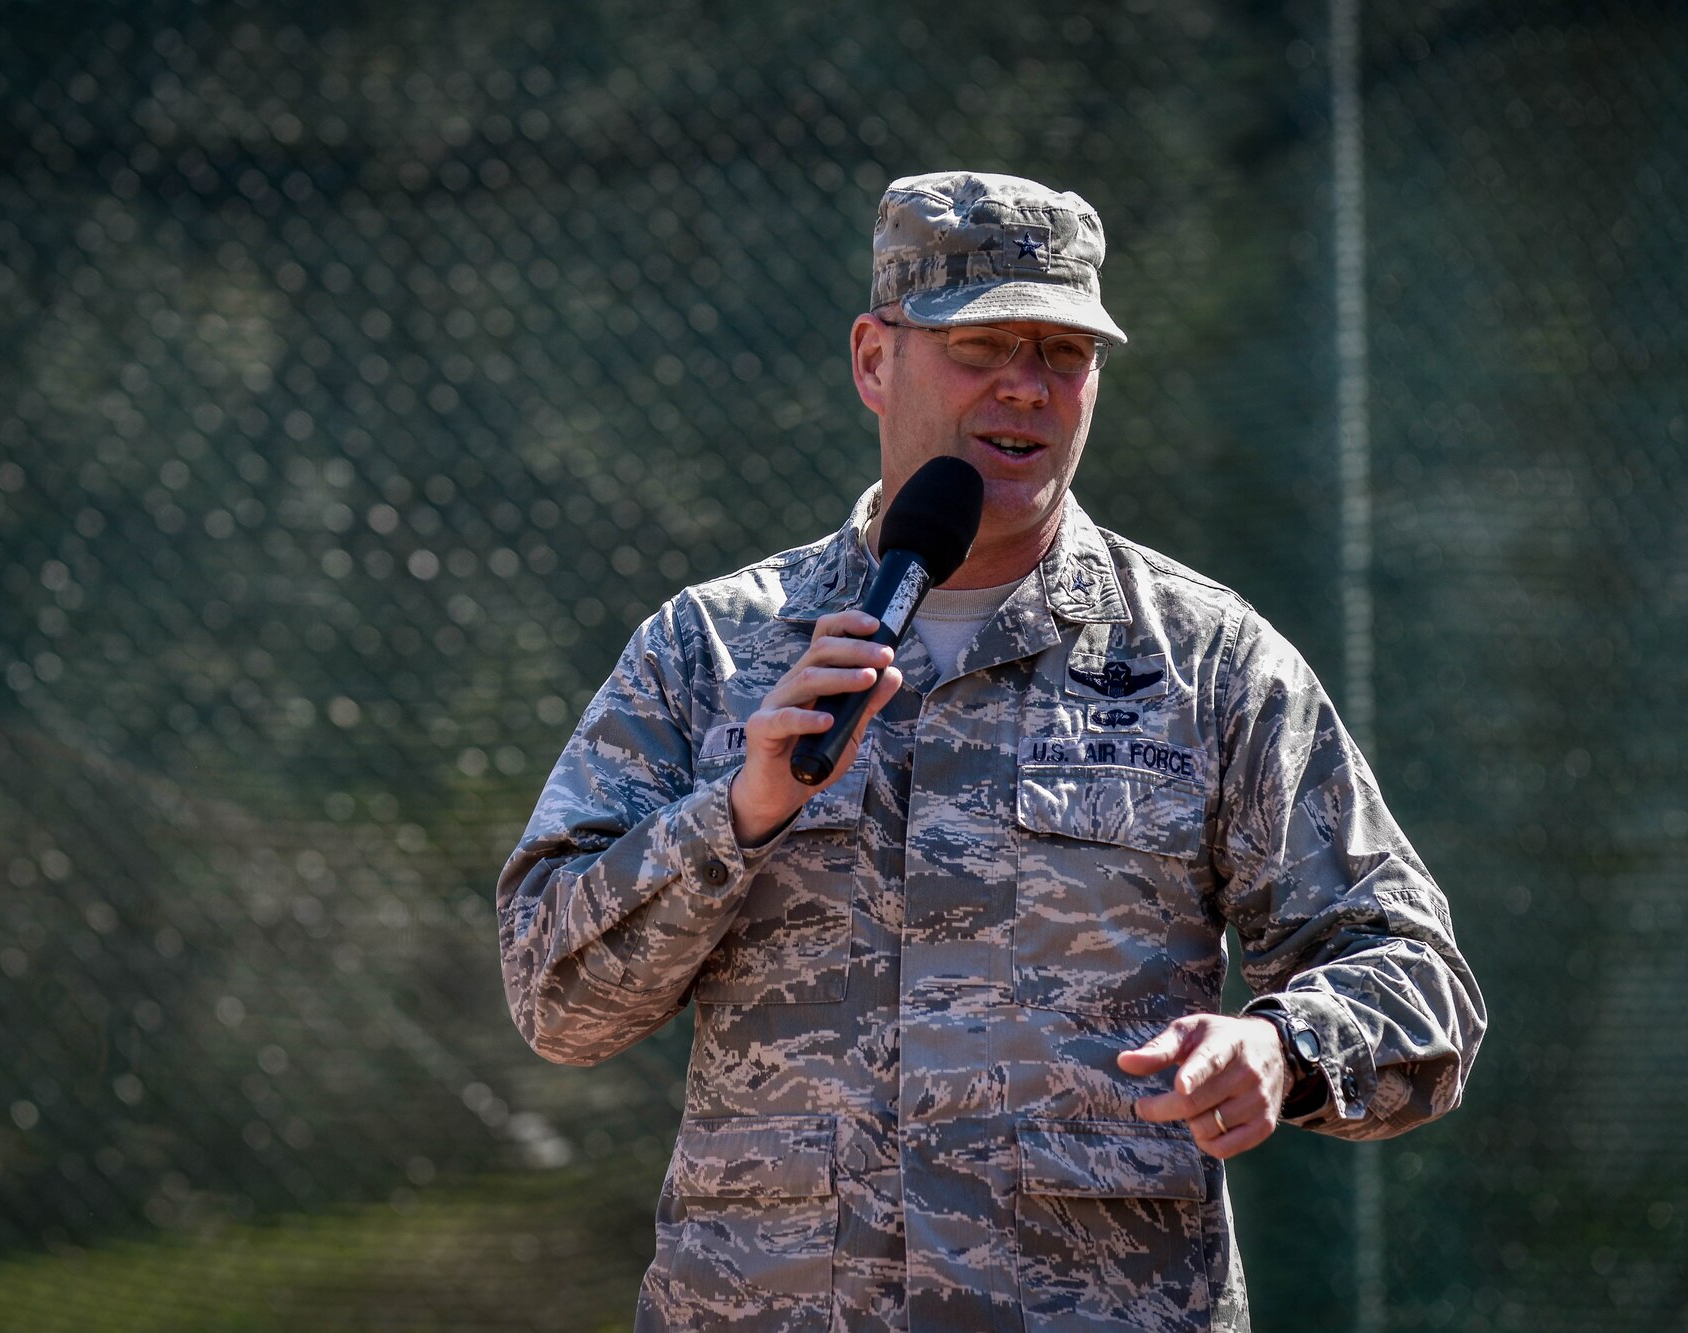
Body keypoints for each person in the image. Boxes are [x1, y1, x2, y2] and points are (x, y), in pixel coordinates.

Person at [497, 170, 1485, 1332]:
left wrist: (1279, 1044)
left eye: (1064, 353)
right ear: (875, 360)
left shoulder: (1206, 660)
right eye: (981, 344)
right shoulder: (712, 648)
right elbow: (555, 1001)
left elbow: (1418, 981)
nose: (1026, 385)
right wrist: (739, 809)